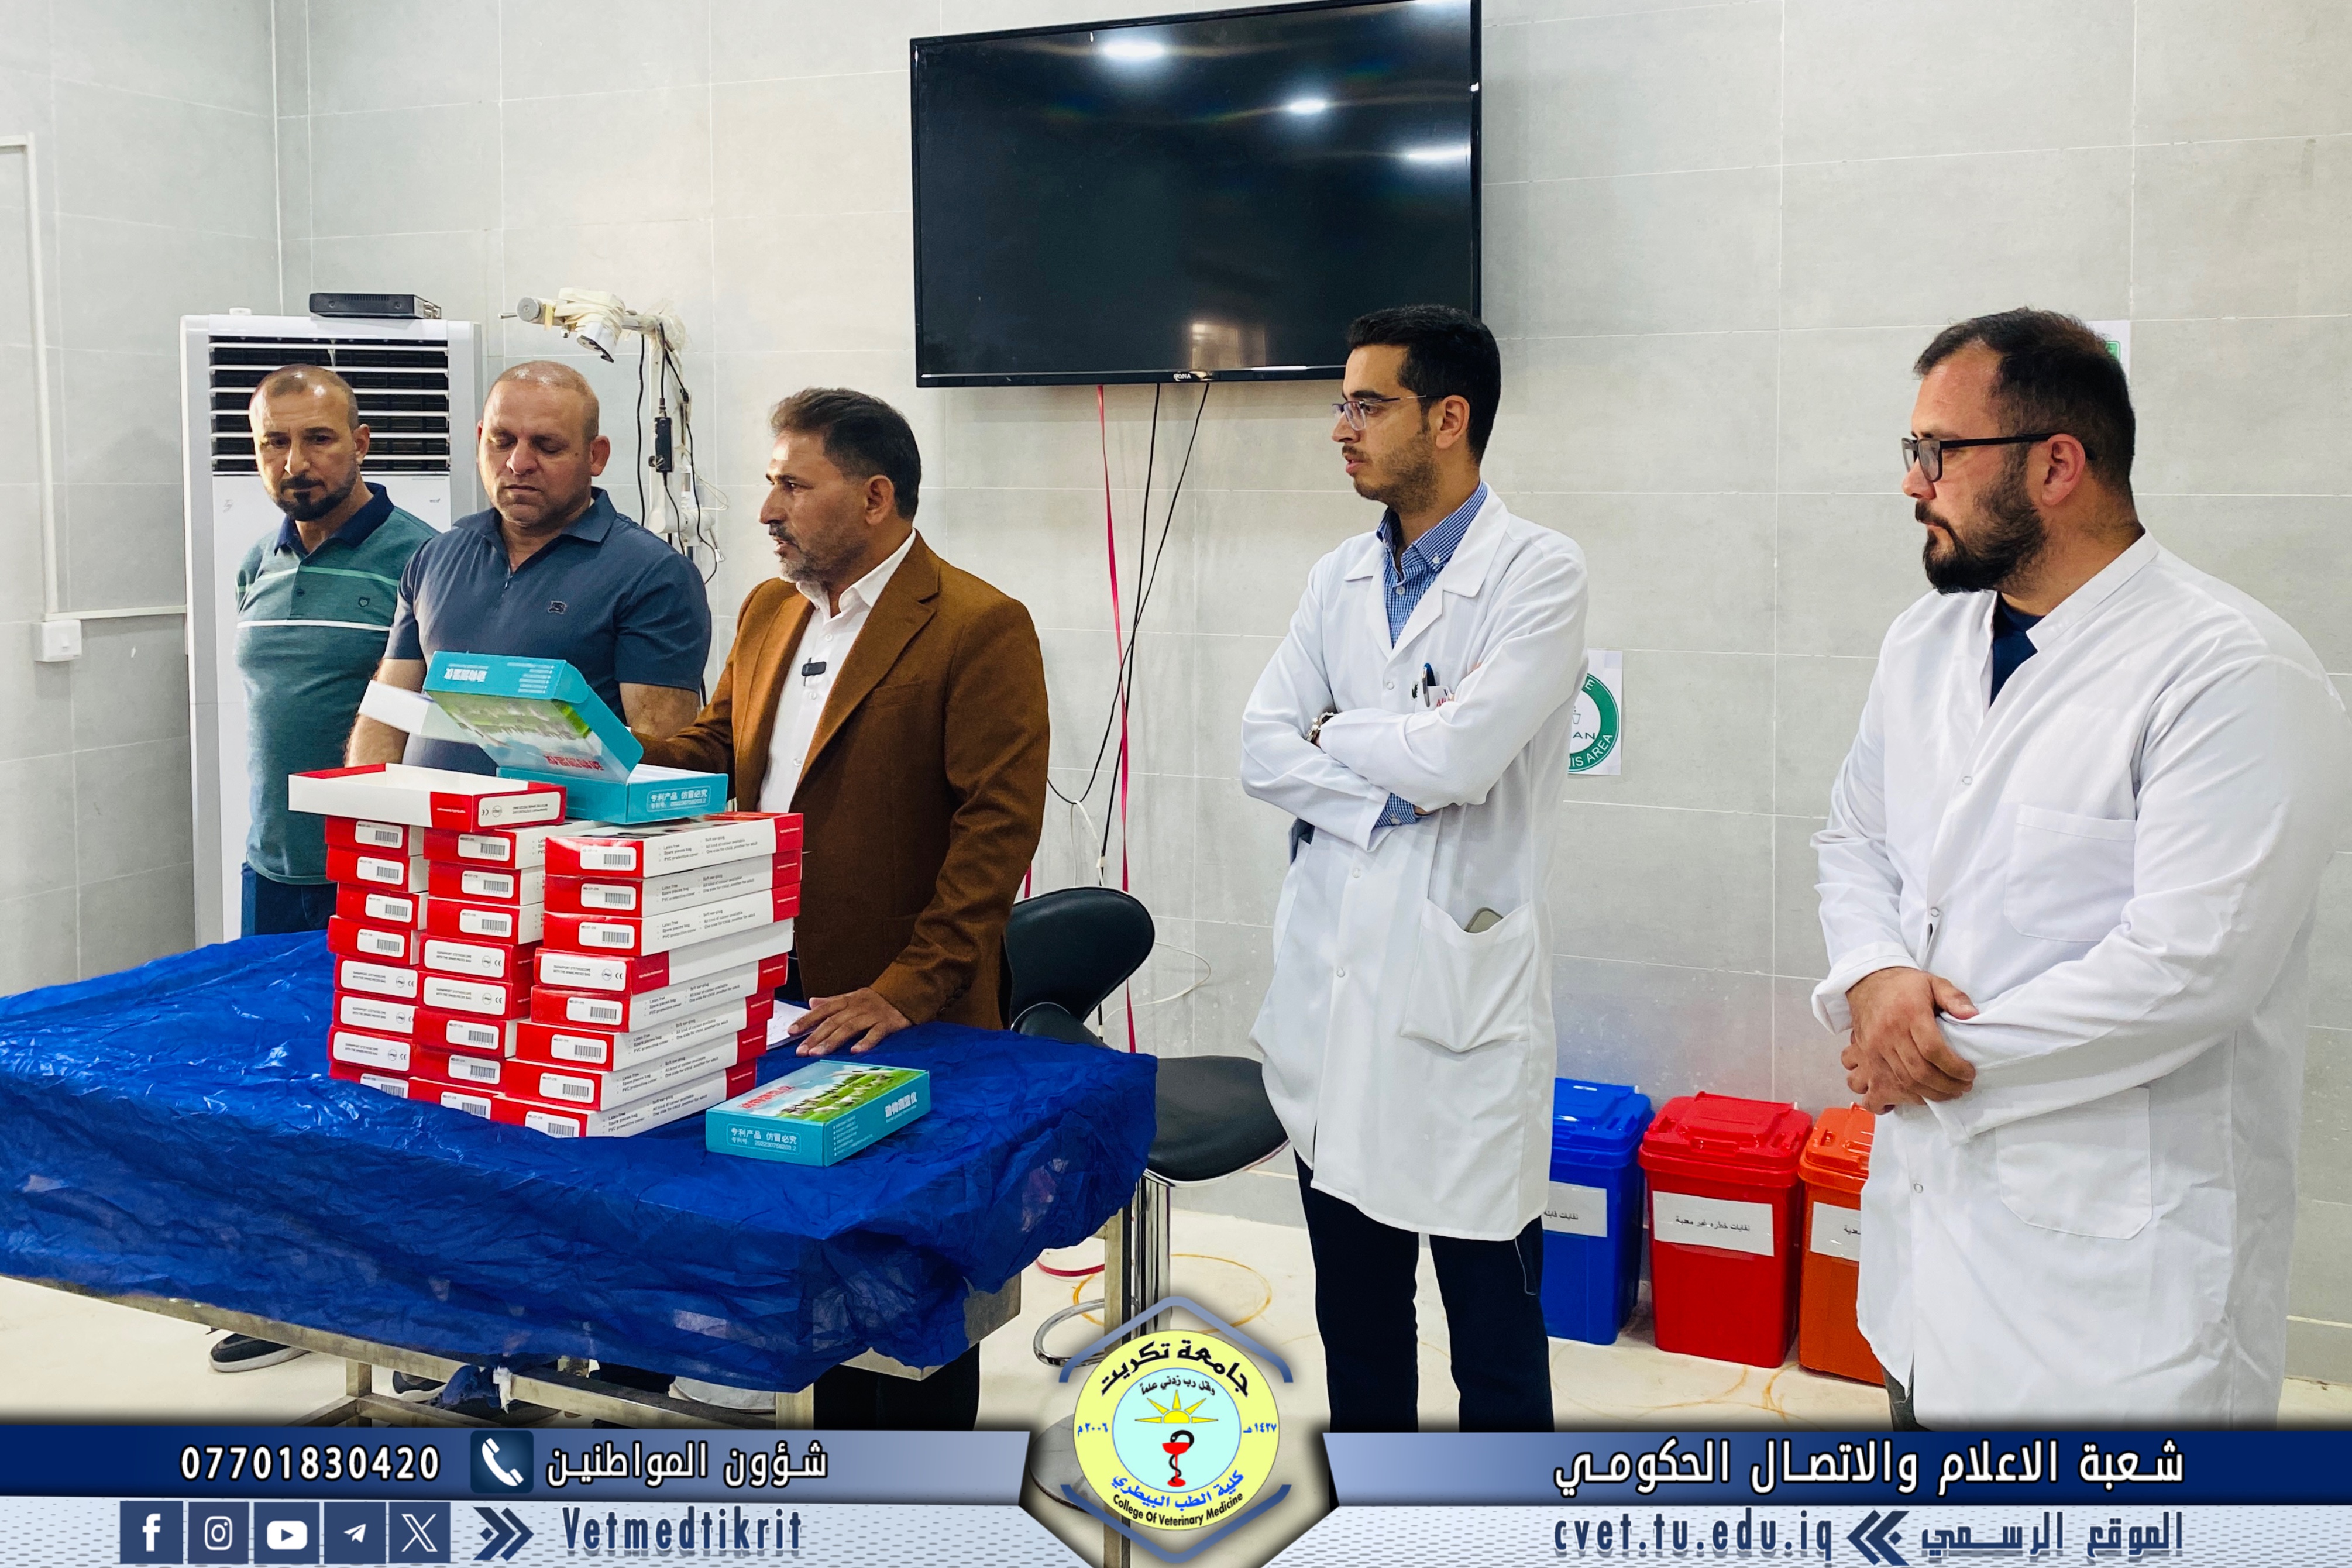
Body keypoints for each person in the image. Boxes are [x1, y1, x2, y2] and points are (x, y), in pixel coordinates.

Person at [1812, 308, 2352, 1429]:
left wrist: (1922, 1053)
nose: (1913, 483)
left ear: (2058, 465)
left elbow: (2190, 970)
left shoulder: (2230, 670)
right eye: (1914, 450)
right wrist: (1874, 976)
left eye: (1938, 452)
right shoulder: (1924, 645)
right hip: (1928, 1272)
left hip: (2117, 1312)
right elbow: (1856, 839)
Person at [639, 386, 1050, 1426]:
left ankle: (918, 1492)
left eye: (792, 485)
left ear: (875, 497)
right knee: (783, 1237)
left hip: (898, 1010)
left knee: (903, 1279)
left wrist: (909, 988)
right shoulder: (768, 610)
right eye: (769, 484)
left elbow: (996, 834)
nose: (767, 509)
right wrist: (597, 755)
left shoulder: (978, 625)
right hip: (763, 983)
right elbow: (719, 746)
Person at [1238, 305, 1588, 1432]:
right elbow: (1260, 747)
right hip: (1332, 1014)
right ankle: (1376, 1514)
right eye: (1341, 404)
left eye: (1367, 405)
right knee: (1360, 1333)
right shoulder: (1336, 577)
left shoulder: (1538, 573)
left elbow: (1461, 758)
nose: (1341, 428)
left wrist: (1336, 734)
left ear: (1449, 418)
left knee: (1495, 1347)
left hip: (1458, 1019)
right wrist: (1385, 782)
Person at [212, 364, 433, 1376]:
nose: (295, 462)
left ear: (363, 441)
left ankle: (403, 1308)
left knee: (386, 1091)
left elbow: (437, 727)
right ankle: (288, 1290)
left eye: (317, 439)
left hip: (376, 874)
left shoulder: (422, 560)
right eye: (274, 443)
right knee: (281, 1081)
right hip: (273, 866)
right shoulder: (255, 562)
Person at [345, 361, 709, 768]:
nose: (518, 463)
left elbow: (660, 762)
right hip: (426, 811)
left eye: (547, 446)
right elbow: (386, 716)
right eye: (501, 441)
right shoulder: (434, 558)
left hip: (563, 812)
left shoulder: (653, 575)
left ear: (596, 456)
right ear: (480, 441)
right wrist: (364, 799)